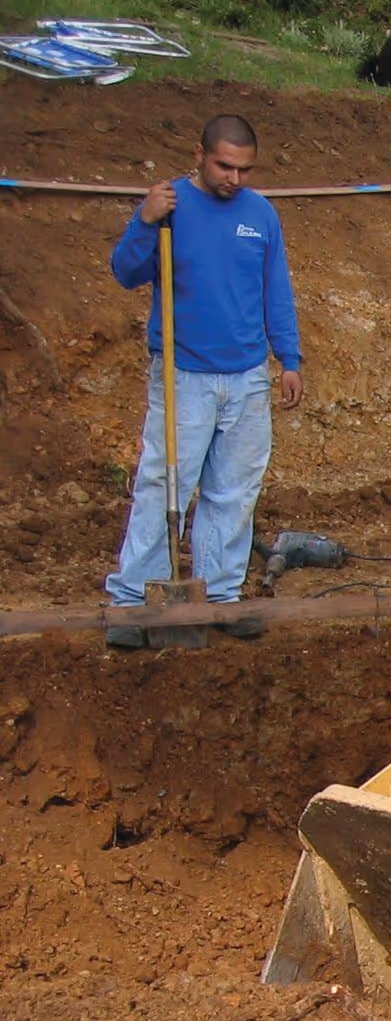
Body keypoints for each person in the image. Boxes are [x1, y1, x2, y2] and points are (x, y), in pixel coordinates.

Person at [104, 113, 302, 648]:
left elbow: (274, 289)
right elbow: (125, 272)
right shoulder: (169, 207)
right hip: (182, 372)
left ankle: (219, 595)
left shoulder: (260, 215)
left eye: (244, 169)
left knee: (233, 491)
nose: (233, 178)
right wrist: (145, 221)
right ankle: (131, 601)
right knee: (162, 483)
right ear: (199, 153)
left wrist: (289, 357)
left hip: (246, 377)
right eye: (224, 166)